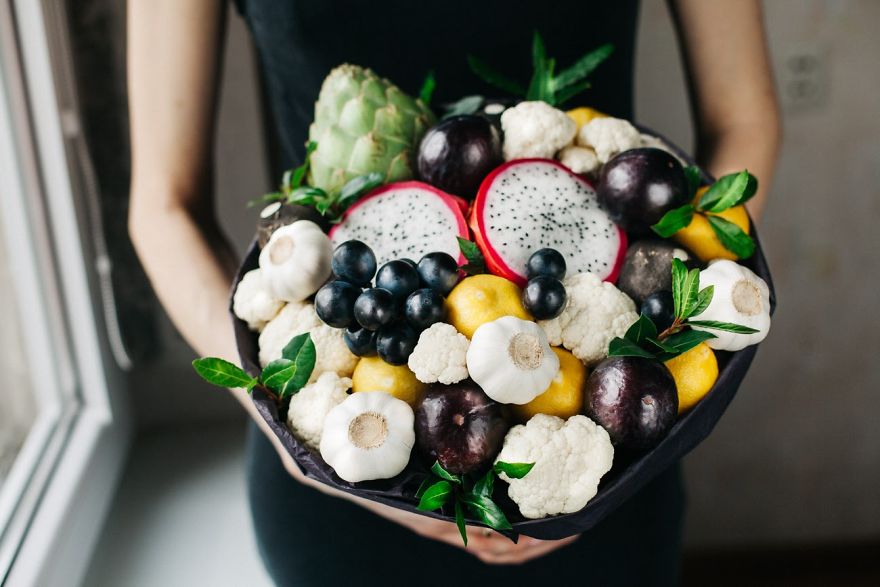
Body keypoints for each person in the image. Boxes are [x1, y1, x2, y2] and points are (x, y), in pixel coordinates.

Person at [127, 0, 780, 583]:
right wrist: (285, 427)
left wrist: (705, 295)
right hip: (345, 474)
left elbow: (742, 117)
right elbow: (163, 208)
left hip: (604, 465)